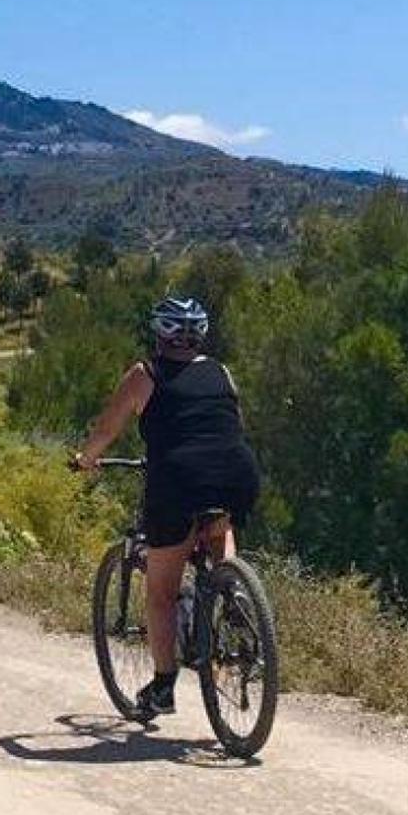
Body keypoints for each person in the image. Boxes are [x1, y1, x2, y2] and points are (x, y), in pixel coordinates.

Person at [74, 295, 262, 719]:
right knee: (219, 520)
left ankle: (163, 687)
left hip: (177, 479)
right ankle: (231, 588)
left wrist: (86, 459)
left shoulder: (146, 374)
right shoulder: (222, 372)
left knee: (161, 593)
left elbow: (107, 428)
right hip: (236, 470)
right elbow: (234, 425)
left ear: (159, 333)